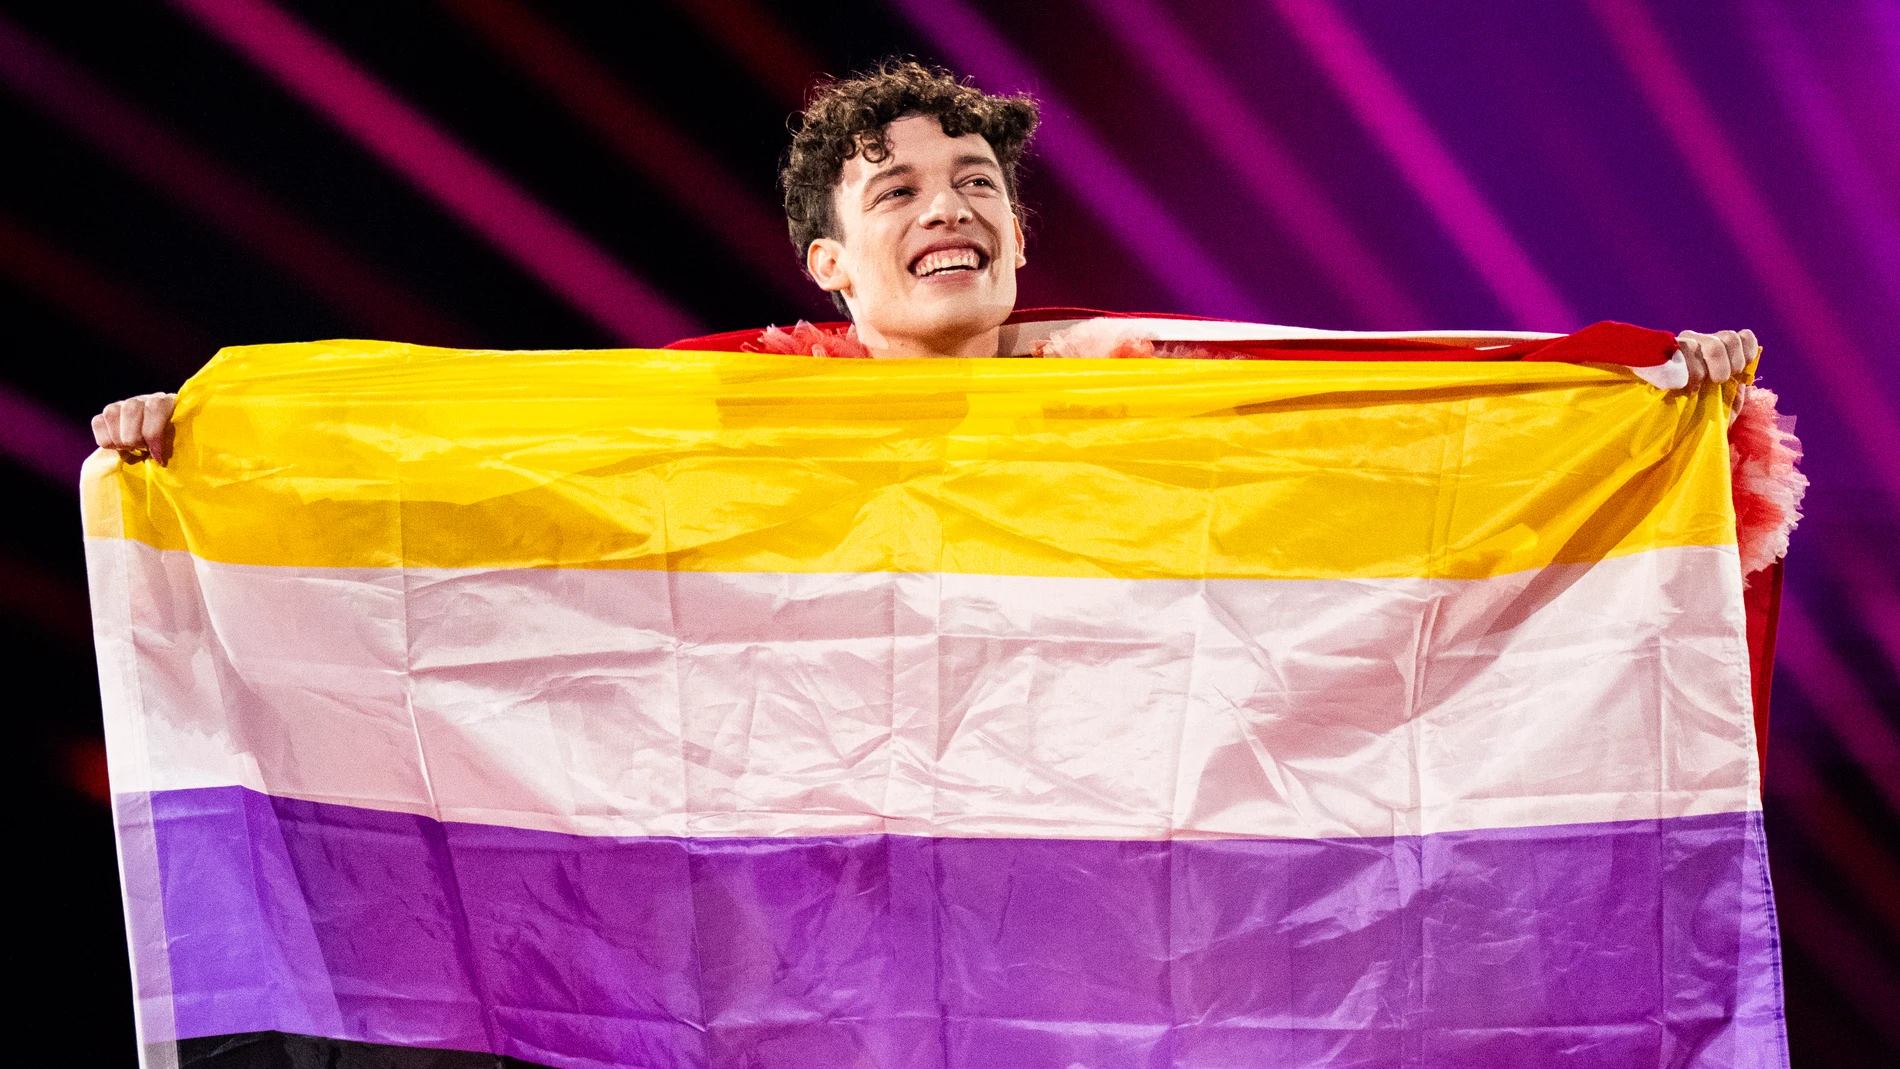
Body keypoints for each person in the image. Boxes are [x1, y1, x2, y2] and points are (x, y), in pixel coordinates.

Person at [91, 60, 1758, 464]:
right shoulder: (738, 404)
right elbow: (489, 438)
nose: (944, 203)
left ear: (1020, 240)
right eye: (893, 192)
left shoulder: (1143, 380)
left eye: (973, 182)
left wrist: (1622, 392)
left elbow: (1379, 419)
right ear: (829, 262)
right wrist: (226, 439)